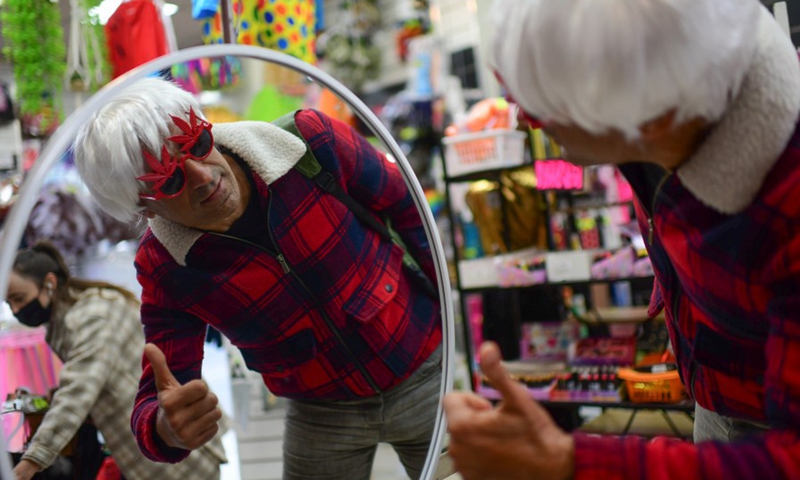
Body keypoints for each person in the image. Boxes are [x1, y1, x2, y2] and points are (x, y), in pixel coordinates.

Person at [443, 0, 800, 479]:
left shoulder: (785, 206)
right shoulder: (677, 87)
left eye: (547, 103)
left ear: (650, 120)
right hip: (716, 385)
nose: (524, 118)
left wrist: (566, 462)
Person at [72, 77, 442, 480]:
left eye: (197, 144)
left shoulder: (309, 144)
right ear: (145, 210)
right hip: (322, 414)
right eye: (171, 181)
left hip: (425, 370)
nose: (203, 176)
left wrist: (443, 299)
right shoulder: (165, 265)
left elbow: (408, 207)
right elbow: (161, 390)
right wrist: (166, 429)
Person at [6, 241, 226, 480]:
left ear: (50, 283)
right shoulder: (66, 323)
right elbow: (98, 376)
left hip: (177, 444)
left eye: (19, 298)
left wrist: (32, 460)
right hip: (158, 438)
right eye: (9, 303)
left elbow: (78, 390)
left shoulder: (92, 317)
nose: (16, 310)